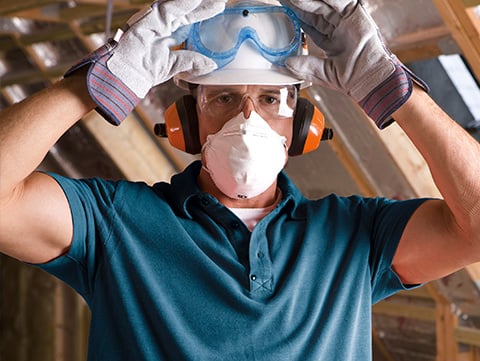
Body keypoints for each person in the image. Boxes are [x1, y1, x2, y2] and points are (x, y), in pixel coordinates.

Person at [0, 0, 479, 359]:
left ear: (304, 123)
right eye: (224, 98)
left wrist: (388, 86)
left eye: (271, 100)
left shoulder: (354, 237)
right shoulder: (115, 224)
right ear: (187, 121)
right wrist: (101, 80)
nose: (247, 121)